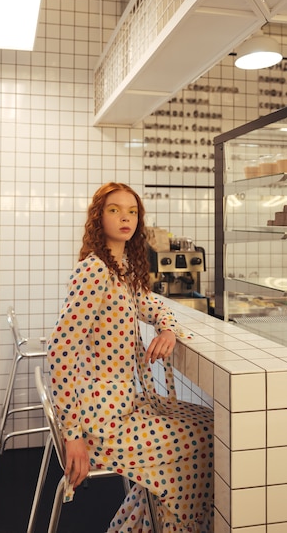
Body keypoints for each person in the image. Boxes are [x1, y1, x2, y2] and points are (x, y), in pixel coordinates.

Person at [47, 183, 214, 532]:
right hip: (101, 420)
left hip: (123, 404)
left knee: (207, 424)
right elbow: (60, 352)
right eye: (114, 209)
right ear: (98, 217)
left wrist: (167, 330)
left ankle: (147, 523)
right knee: (206, 435)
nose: (125, 217)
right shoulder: (95, 271)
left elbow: (152, 305)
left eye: (132, 211)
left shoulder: (119, 268)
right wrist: (72, 434)